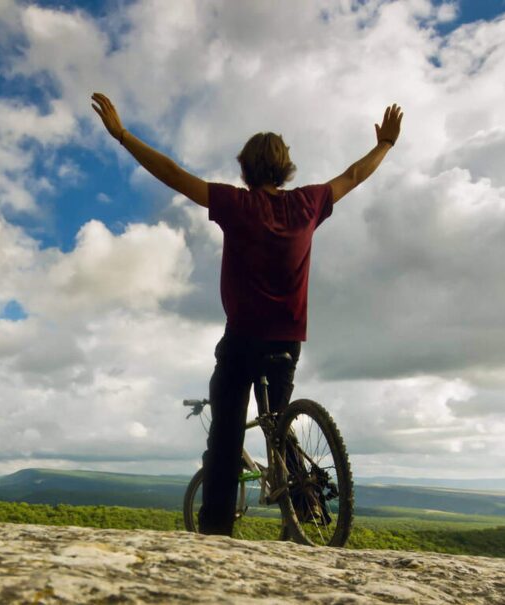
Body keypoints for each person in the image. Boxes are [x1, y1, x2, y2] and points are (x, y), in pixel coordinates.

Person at [90, 92, 402, 535]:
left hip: (242, 340)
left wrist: (122, 136)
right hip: (288, 340)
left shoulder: (237, 205)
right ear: (285, 168)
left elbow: (175, 175)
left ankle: (215, 531)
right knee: (279, 426)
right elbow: (353, 175)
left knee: (225, 435)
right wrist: (385, 145)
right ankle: (308, 512)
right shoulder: (307, 204)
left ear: (245, 168)